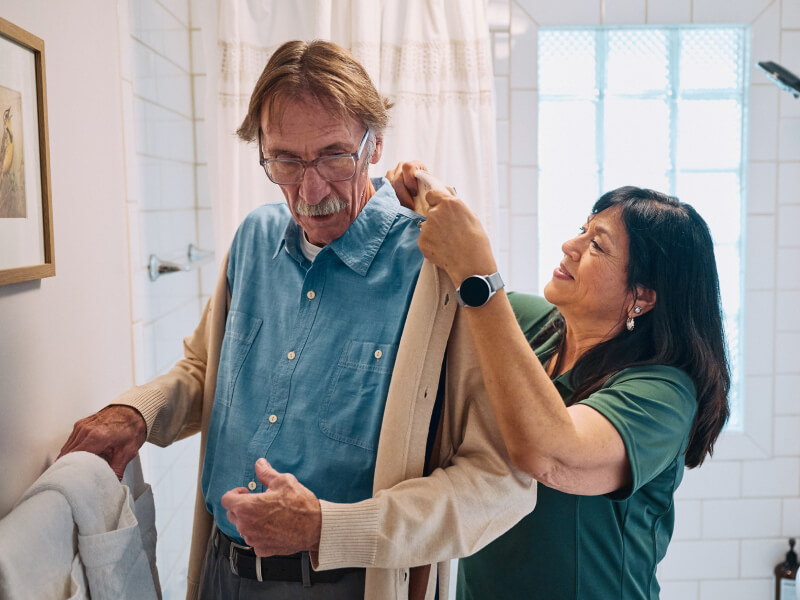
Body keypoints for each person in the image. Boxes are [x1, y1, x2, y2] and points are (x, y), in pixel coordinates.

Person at [58, 40, 535, 600]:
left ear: (375, 143)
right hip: (220, 572)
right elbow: (203, 370)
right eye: (284, 159)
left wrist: (326, 529)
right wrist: (138, 413)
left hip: (351, 584)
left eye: (335, 155)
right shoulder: (254, 240)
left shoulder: (435, 270)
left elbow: (499, 484)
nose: (309, 191)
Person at [393, 174, 730, 599]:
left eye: (597, 245)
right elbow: (431, 297)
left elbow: (549, 454)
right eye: (582, 229)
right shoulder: (533, 326)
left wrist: (479, 274)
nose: (570, 247)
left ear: (641, 297)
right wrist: (417, 194)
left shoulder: (663, 393)